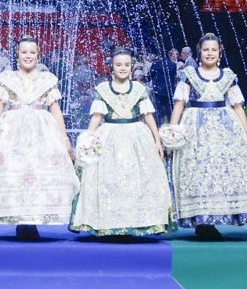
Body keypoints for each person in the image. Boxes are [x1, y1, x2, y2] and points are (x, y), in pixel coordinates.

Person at [70, 48, 172, 237]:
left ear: (132, 67)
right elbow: (97, 116)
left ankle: (142, 222)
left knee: (140, 178)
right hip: (109, 136)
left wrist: (157, 140)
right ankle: (108, 222)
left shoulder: (139, 89)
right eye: (119, 65)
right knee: (109, 179)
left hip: (136, 136)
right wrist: (87, 140)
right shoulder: (103, 89)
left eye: (126, 65)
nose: (123, 68)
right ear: (111, 67)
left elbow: (148, 116)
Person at [168, 33, 247, 239]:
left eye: (214, 50)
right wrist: (173, 131)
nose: (210, 53)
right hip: (195, 128)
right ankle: (201, 221)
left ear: (219, 53)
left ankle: (219, 215)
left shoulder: (228, 76)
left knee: (221, 172)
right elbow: (179, 104)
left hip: (225, 128)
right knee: (199, 172)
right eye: (206, 49)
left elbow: (238, 107)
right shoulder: (189, 75)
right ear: (199, 52)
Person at [0, 36, 77, 240]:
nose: (28, 56)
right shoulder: (7, 79)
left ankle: (34, 219)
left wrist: (64, 139)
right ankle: (20, 220)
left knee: (40, 172)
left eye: (32, 52)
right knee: (14, 172)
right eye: (24, 52)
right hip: (12, 130)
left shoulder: (48, 80)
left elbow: (56, 110)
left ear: (38, 55)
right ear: (17, 55)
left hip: (41, 130)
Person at [145, 51, 178, 124]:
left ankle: (159, 128)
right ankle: (171, 127)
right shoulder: (173, 65)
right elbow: (174, 78)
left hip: (158, 92)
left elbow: (149, 77)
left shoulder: (156, 64)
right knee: (170, 111)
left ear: (159, 55)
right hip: (170, 91)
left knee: (158, 113)